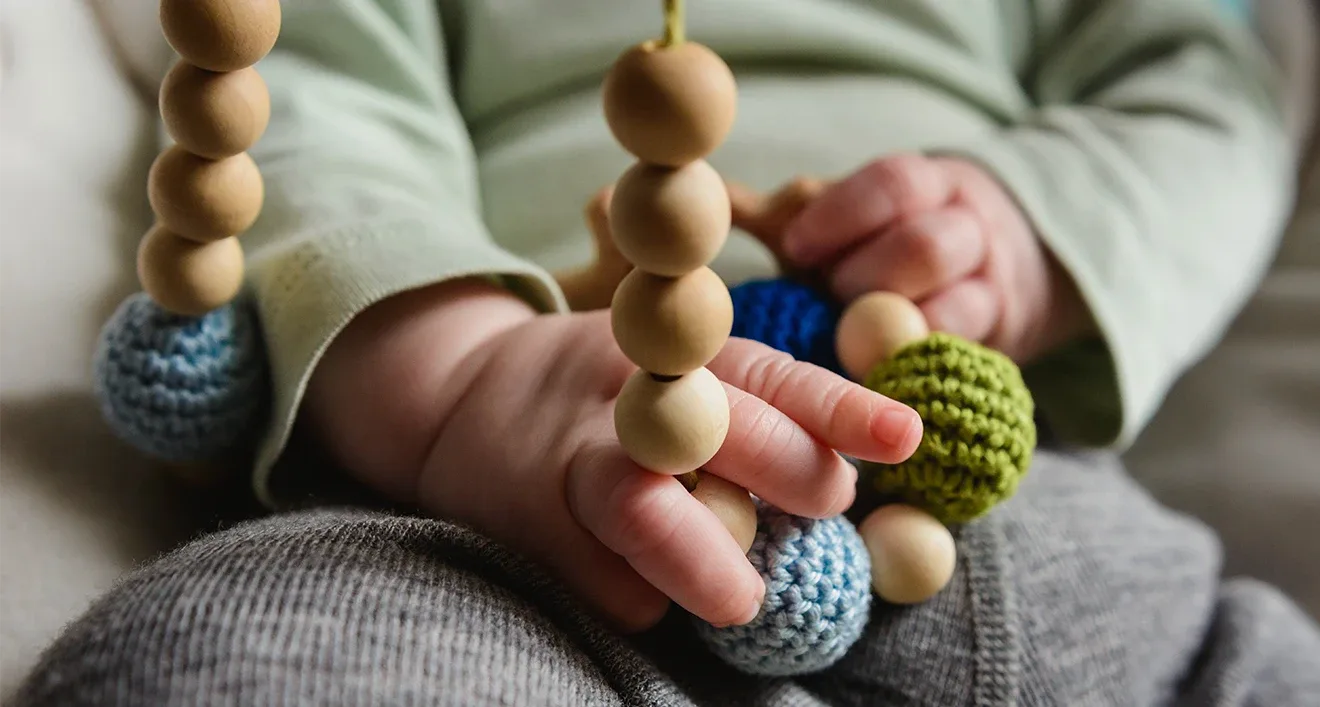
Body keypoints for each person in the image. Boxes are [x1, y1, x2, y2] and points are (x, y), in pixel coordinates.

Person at [15, 0, 1320, 704]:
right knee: (246, 652)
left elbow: (1206, 85)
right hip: (509, 507)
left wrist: (1029, 228)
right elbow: (309, 97)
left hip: (970, 483)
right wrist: (464, 375)